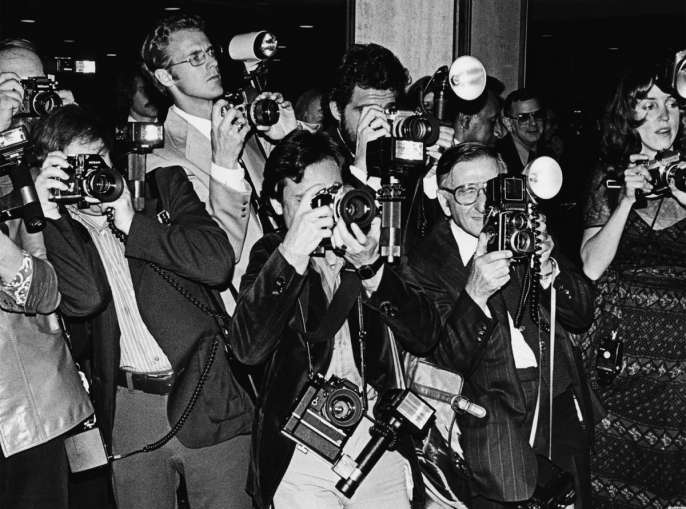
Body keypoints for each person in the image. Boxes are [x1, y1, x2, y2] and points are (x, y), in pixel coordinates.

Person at [34, 104, 255, 509]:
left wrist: (131, 221)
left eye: (98, 157)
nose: (91, 173)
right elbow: (84, 299)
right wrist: (49, 216)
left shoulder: (162, 188)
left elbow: (218, 263)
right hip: (129, 407)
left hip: (207, 391)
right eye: (74, 166)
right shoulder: (59, 232)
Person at [230, 129, 441, 509]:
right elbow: (247, 349)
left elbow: (425, 336)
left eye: (331, 194)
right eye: (306, 200)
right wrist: (294, 252)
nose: (323, 209)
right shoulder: (272, 255)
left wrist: (371, 266)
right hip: (300, 446)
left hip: (376, 438)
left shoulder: (370, 241)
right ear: (277, 204)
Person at [407, 143, 600, 508]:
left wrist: (549, 270)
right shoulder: (423, 263)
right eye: (467, 191)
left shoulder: (523, 230)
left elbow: (582, 313)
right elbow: (442, 361)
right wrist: (475, 295)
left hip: (557, 400)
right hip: (490, 424)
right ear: (445, 202)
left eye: (493, 188)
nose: (484, 203)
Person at [580, 63, 686, 508]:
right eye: (649, 104)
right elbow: (590, 267)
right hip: (622, 359)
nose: (664, 116)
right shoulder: (608, 177)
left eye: (672, 104)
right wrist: (625, 201)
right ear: (628, 113)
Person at [140, 12, 297, 313]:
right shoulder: (162, 159)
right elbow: (217, 255)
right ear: (165, 76)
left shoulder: (241, 125)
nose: (212, 62)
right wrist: (224, 165)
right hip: (243, 310)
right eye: (195, 58)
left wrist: (288, 138)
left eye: (210, 52)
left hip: (293, 297)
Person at [0, 40, 93, 509]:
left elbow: (52, 291)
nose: (22, 99)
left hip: (29, 408)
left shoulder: (48, 171)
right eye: (9, 85)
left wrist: (67, 129)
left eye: (34, 85)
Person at [497, 88, 546, 175]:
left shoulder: (549, 155)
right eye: (523, 118)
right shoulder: (497, 157)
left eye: (538, 115)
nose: (533, 123)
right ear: (508, 123)